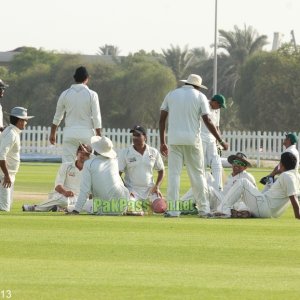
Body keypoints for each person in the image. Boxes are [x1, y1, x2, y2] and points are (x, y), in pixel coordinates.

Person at [159, 74, 228, 217]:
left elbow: (161, 121)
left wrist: (162, 142)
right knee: (198, 175)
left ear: (186, 83)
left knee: (173, 175)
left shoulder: (171, 94)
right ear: (197, 86)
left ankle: (172, 210)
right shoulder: (200, 96)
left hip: (174, 140)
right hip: (193, 141)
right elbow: (208, 120)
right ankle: (204, 209)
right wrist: (220, 141)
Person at [216, 152, 300, 219]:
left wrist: (298, 215)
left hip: (264, 207)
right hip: (267, 209)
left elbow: (293, 197)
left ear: (281, 164)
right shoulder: (295, 176)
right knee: (243, 199)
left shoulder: (287, 176)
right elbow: (265, 183)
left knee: (242, 182)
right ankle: (244, 211)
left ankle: (222, 210)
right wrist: (273, 173)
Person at [49, 66, 102, 163]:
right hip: (87, 133)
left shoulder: (65, 94)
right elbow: (96, 117)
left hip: (70, 133)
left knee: (67, 165)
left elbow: (57, 116)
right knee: (87, 164)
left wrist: (53, 133)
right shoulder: (92, 94)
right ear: (87, 78)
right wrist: (99, 136)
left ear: (74, 78)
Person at [68, 136, 130, 214]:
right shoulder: (114, 162)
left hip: (104, 208)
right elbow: (101, 160)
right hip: (122, 205)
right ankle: (131, 208)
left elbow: (85, 190)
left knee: (70, 207)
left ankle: (75, 208)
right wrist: (89, 154)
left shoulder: (88, 164)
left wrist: (76, 210)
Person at [181, 152, 256, 217]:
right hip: (221, 199)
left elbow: (254, 195)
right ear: (232, 163)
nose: (237, 165)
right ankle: (184, 205)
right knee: (205, 176)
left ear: (245, 167)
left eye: (240, 163)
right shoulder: (230, 177)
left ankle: (178, 206)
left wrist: (243, 208)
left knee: (204, 187)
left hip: (230, 204)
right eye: (235, 162)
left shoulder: (247, 176)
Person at [22, 144, 91, 212]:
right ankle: (35, 207)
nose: (82, 155)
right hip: (61, 195)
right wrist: (65, 192)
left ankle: (61, 208)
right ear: (77, 153)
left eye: (85, 154)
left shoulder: (91, 171)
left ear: (89, 156)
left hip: (78, 199)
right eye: (80, 152)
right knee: (64, 200)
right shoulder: (66, 166)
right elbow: (58, 186)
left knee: (87, 204)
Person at [118, 125, 165, 203]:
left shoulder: (153, 152)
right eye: (134, 135)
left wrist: (157, 186)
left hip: (150, 190)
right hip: (132, 191)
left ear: (145, 137)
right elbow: (117, 174)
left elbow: (161, 170)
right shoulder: (125, 152)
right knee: (131, 210)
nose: (135, 138)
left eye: (138, 135)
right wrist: (126, 190)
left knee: (160, 208)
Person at [0, 107, 34, 211]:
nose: (26, 123)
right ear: (19, 121)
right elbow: (1, 155)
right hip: (3, 177)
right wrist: (6, 175)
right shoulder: (11, 134)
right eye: (25, 120)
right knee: (4, 208)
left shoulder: (12, 132)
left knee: (7, 206)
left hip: (8, 176)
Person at [201, 94, 227, 191]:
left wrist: (219, 142)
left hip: (212, 139)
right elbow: (208, 122)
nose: (219, 108)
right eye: (219, 105)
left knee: (216, 162)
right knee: (202, 164)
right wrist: (221, 141)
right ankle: (202, 188)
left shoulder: (217, 110)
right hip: (201, 138)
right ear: (214, 102)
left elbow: (216, 127)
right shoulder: (204, 105)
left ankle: (218, 188)